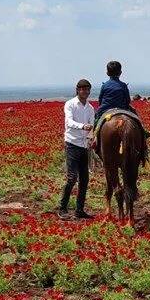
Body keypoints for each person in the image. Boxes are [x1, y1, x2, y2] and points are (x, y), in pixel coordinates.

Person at [59, 79, 95, 219]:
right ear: (77, 90)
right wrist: (82, 126)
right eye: (83, 89)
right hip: (72, 144)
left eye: (87, 89)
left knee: (84, 179)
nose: (85, 92)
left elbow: (91, 124)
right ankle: (62, 207)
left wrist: (91, 137)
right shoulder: (70, 104)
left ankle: (79, 210)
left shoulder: (91, 108)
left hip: (84, 145)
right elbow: (69, 122)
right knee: (72, 178)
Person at [94, 60, 136, 125]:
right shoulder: (123, 85)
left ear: (107, 73)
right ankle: (143, 131)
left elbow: (100, 100)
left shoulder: (104, 85)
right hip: (122, 108)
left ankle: (95, 133)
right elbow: (128, 100)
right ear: (120, 72)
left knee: (96, 118)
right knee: (136, 117)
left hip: (105, 109)